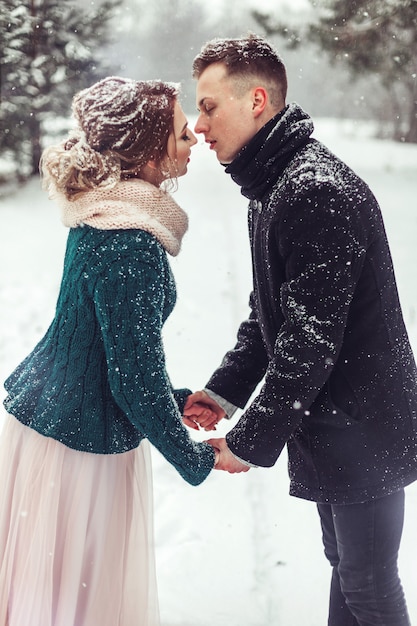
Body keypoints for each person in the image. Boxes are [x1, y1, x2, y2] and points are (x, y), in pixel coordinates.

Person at [183, 35, 417, 626]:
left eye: (209, 107)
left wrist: (249, 442)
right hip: (338, 423)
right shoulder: (274, 185)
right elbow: (274, 314)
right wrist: (222, 392)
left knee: (365, 580)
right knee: (348, 567)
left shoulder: (311, 190)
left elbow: (308, 343)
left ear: (256, 100)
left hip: (363, 424)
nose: (199, 125)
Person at [0, 76, 217, 626]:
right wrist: (195, 459)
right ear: (146, 151)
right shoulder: (129, 242)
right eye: (180, 131)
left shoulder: (99, 215)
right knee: (74, 604)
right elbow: (130, 380)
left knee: (45, 597)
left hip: (52, 423)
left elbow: (103, 350)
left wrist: (176, 397)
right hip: (80, 451)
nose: (193, 138)